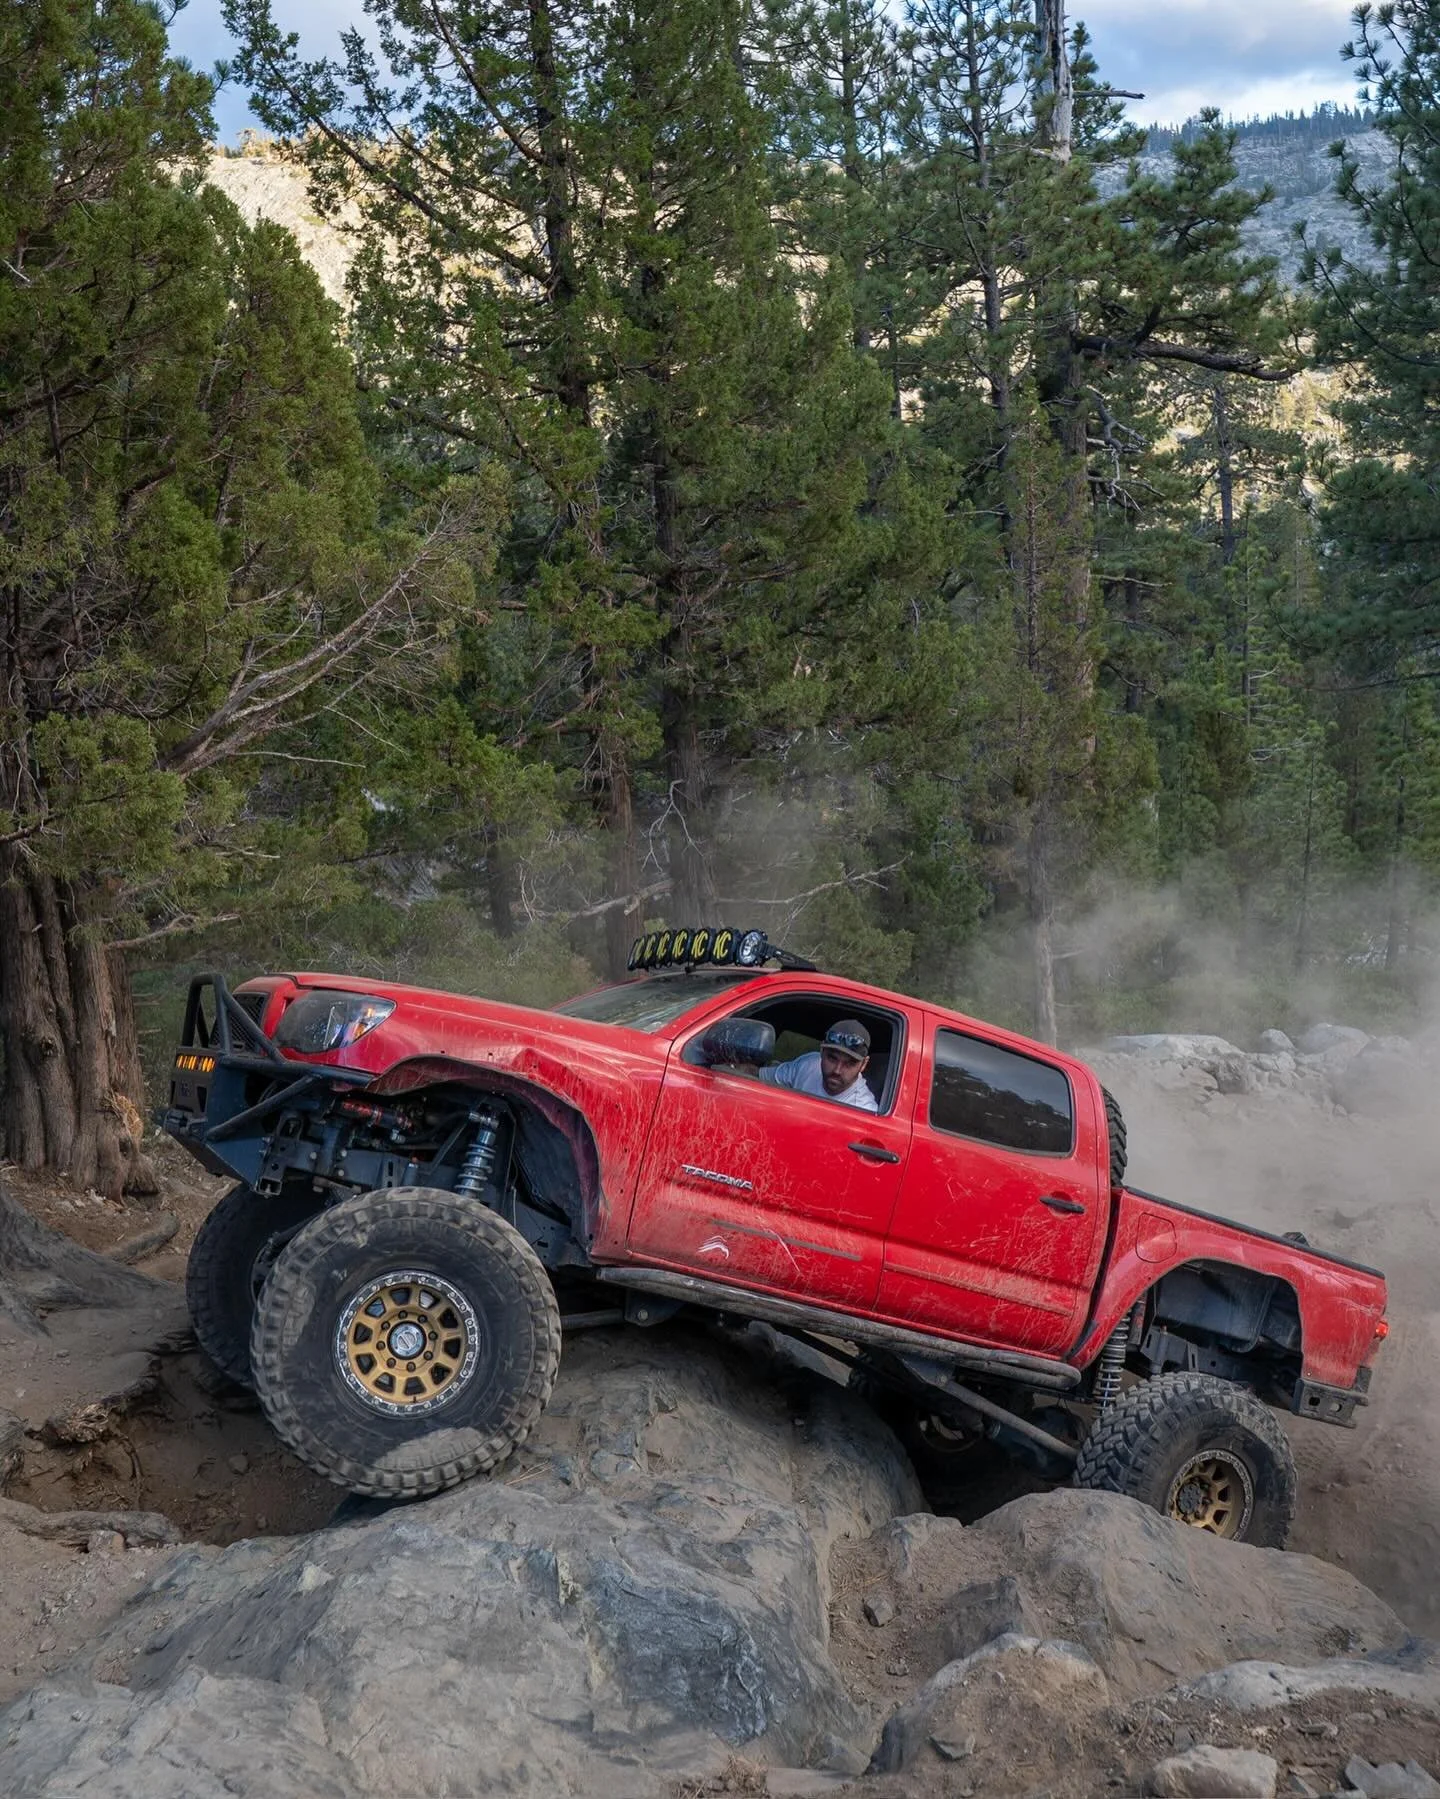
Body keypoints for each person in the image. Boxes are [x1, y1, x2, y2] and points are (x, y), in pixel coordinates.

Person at [758, 1019, 878, 1112]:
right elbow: (759, 1076)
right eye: (832, 1058)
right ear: (821, 1052)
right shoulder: (808, 1065)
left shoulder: (864, 1110)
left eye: (849, 1064)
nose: (837, 1070)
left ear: (863, 1064)